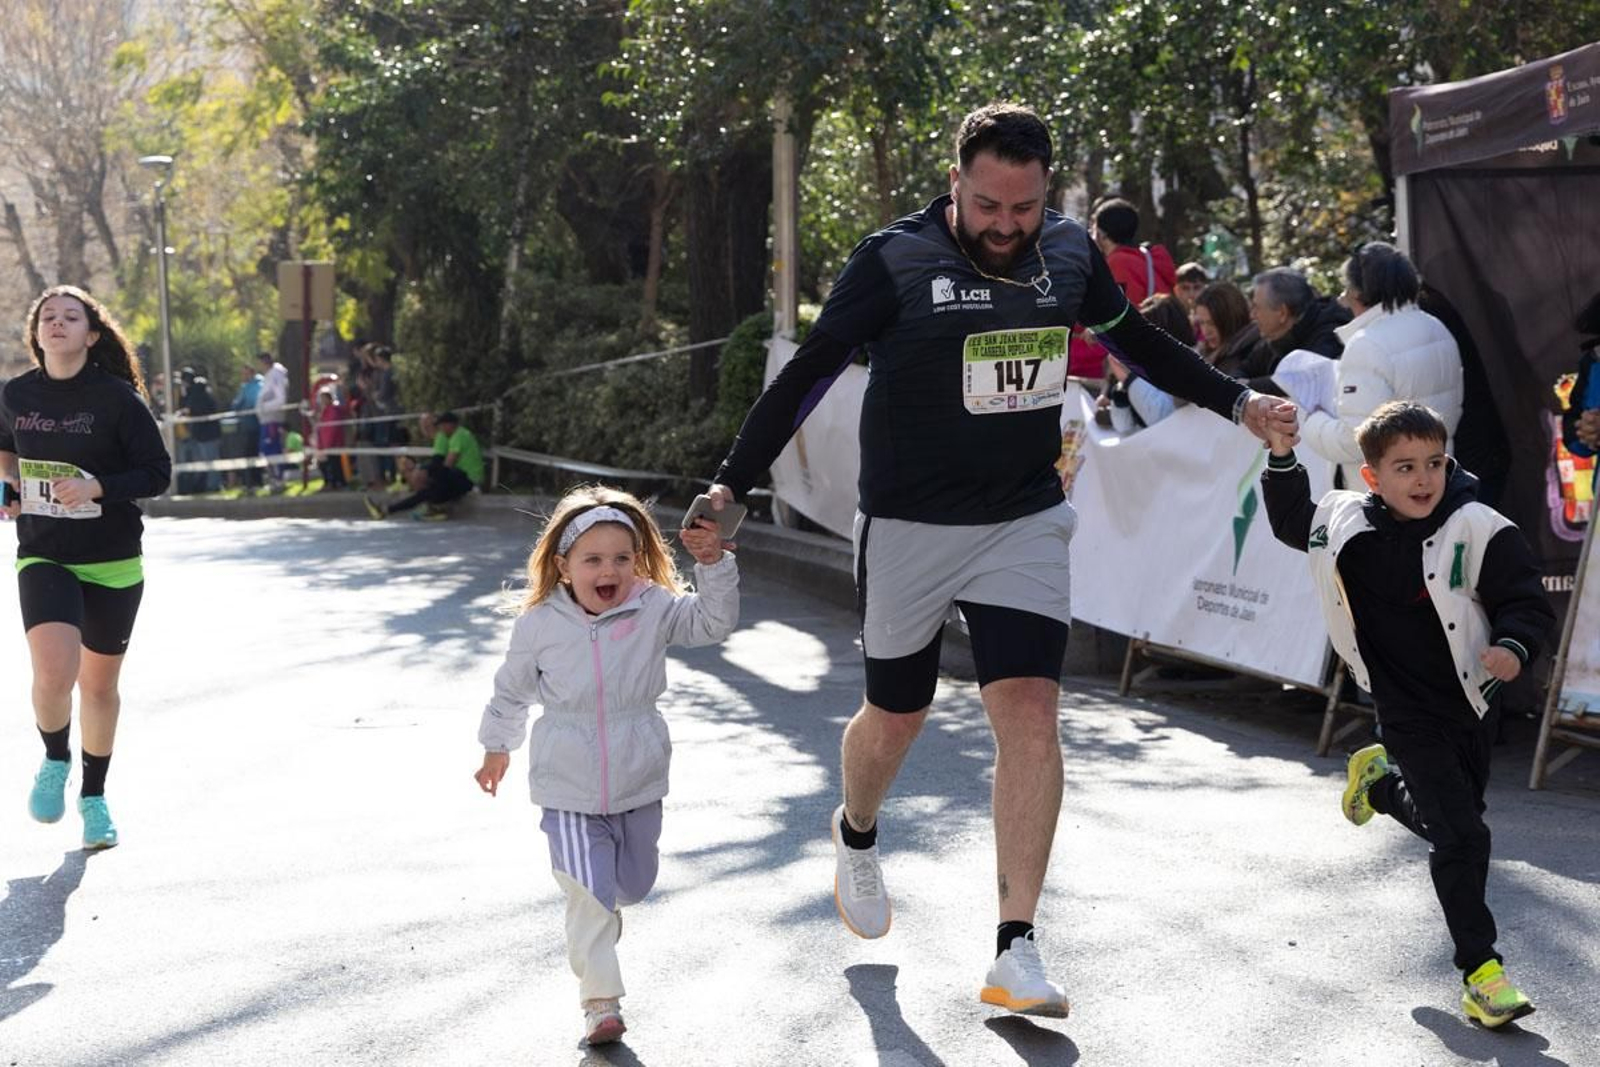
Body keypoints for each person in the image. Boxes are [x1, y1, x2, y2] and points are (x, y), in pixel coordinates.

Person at [700, 102, 1296, 1017]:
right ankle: (856, 828)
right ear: (955, 186)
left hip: (1024, 517)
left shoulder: (1066, 252)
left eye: (1023, 208)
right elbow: (808, 372)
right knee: (896, 716)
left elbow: (1137, 342)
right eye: (988, 206)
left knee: (1030, 711)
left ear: (1046, 194)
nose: (1007, 227)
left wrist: (1238, 401)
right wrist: (733, 486)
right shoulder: (892, 260)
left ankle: (1016, 946)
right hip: (909, 523)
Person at [1261, 400, 1554, 1029]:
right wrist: (1282, 456)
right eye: (1404, 468)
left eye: (1433, 464)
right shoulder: (1344, 521)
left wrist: (1512, 646)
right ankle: (1482, 973)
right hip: (1401, 708)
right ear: (1371, 477)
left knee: (1459, 822)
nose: (1422, 480)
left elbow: (1525, 600)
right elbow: (1289, 521)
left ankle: (1383, 789)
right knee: (1464, 837)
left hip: (1472, 700)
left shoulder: (1477, 525)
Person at [472, 486, 738, 1046]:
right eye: (592, 559)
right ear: (565, 566)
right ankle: (600, 1002)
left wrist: (714, 566)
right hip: (565, 783)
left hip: (639, 773)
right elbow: (511, 692)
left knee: (632, 885)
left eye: (622, 558)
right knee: (588, 893)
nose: (608, 570)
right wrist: (498, 746)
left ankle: (601, 923)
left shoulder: (654, 607)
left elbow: (712, 625)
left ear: (638, 562)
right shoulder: (539, 624)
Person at [0, 285, 172, 850]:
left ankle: (94, 796)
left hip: (113, 559)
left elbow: (156, 472)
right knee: (54, 670)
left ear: (91, 335)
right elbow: (6, 450)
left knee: (99, 689)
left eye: (70, 316)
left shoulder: (118, 399)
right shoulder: (17, 394)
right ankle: (54, 760)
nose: (57, 323)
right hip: (45, 550)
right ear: (36, 334)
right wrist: (11, 485)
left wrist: (98, 486)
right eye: (48, 316)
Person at [1299, 243, 1463, 492]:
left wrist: (1313, 419)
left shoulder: (1367, 344)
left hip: (1387, 498)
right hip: (1436, 484)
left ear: (1358, 292)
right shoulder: (1437, 328)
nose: (1343, 299)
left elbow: (1357, 442)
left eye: (1347, 288)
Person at [1068, 197, 1177, 377]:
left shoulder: (1118, 264)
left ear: (1101, 234)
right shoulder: (1147, 259)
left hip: (1137, 353)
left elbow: (1118, 318)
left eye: (1093, 227)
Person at [1244, 267, 1351, 392]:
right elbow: (1244, 368)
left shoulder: (1329, 332)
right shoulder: (1276, 335)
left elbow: (1302, 380)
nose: (1252, 315)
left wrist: (1248, 386)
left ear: (1282, 313)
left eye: (1257, 307)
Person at [1100, 294, 1197, 432]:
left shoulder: (1189, 365)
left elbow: (1162, 419)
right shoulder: (1151, 363)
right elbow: (1124, 427)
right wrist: (1121, 389)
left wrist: (1130, 379)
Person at [364, 455, 471, 520]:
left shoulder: (435, 475)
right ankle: (387, 510)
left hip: (458, 484)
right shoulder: (431, 476)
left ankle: (433, 509)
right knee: (422, 495)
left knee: (423, 495)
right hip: (449, 484)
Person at [1192, 280, 1260, 379]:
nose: (1206, 331)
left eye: (1212, 323)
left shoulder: (1252, 352)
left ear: (1231, 318)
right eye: (1202, 323)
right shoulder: (1203, 353)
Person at [175, 367, 222, 494]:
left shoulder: (200, 393)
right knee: (205, 461)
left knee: (210, 460)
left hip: (207, 434)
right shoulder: (195, 393)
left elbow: (196, 408)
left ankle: (214, 486)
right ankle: (207, 485)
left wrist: (186, 410)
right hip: (201, 434)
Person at [255, 351, 290, 492]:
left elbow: (280, 399)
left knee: (273, 450)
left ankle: (278, 480)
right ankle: (274, 480)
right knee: (267, 451)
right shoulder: (269, 376)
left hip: (272, 420)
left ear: (264, 362)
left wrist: (264, 407)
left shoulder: (276, 375)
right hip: (266, 420)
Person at [230, 361, 263, 490]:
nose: (242, 376)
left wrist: (239, 405)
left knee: (253, 452)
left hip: (254, 425)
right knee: (247, 453)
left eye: (245, 373)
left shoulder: (258, 385)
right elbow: (235, 404)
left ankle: (256, 481)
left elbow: (251, 403)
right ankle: (249, 482)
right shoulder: (245, 387)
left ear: (251, 373)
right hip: (245, 426)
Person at [430, 410, 484, 488]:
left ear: (449, 424)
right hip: (473, 476)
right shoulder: (462, 433)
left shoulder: (458, 436)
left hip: (470, 478)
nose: (441, 428)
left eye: (442, 425)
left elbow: (449, 462)